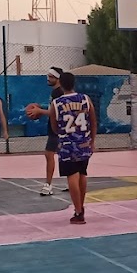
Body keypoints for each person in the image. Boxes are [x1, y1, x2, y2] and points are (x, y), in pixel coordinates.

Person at [49, 71, 97, 224]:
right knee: (82, 174)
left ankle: (78, 211)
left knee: (72, 176)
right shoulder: (85, 99)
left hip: (67, 144)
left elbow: (54, 127)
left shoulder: (56, 103)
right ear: (74, 83)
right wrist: (92, 140)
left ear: (61, 84)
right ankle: (80, 207)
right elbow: (94, 121)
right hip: (84, 142)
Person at [24, 67, 65, 195]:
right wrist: (41, 107)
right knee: (64, 156)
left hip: (58, 129)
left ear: (57, 79)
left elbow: (57, 113)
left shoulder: (59, 93)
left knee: (49, 154)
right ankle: (71, 180)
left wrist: (39, 111)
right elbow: (53, 109)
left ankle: (48, 185)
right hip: (56, 128)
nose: (48, 78)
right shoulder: (55, 92)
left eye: (51, 76)